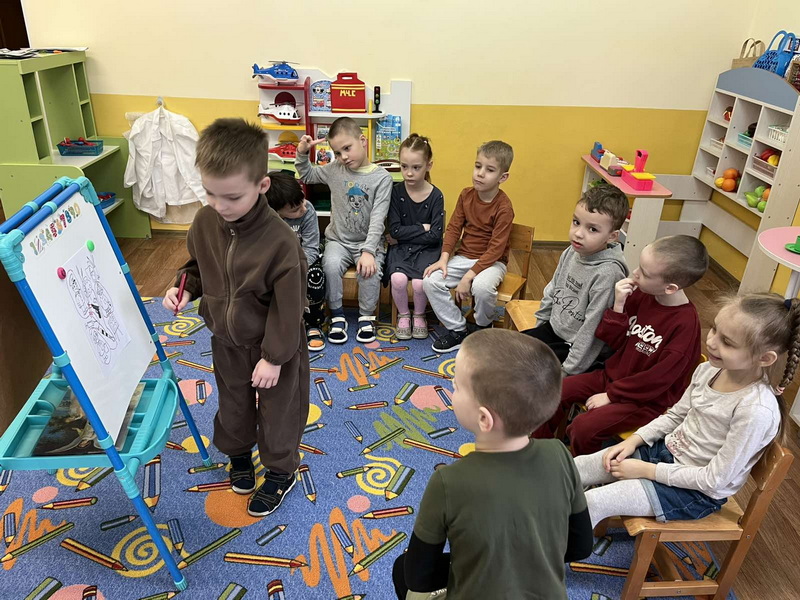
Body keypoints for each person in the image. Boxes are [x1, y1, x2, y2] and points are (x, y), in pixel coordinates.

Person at [163, 118, 309, 517]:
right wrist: (186, 287)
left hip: (274, 348)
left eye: (231, 197)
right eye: (210, 193)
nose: (219, 205)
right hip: (226, 341)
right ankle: (239, 454)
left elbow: (289, 307)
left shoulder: (281, 242)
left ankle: (280, 471)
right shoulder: (205, 221)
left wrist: (274, 357)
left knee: (280, 413)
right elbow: (198, 264)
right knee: (233, 405)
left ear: (261, 186)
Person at [393, 329, 593, 599]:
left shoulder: (447, 482)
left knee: (401, 569)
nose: (451, 387)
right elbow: (581, 547)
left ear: (484, 419)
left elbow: (418, 577)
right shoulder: (560, 454)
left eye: (457, 386)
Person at [576, 292, 793, 527]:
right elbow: (675, 415)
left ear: (765, 358)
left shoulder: (755, 410)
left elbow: (714, 480)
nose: (711, 342)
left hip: (694, 492)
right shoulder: (709, 370)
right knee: (575, 468)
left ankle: (562, 547)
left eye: (727, 342)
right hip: (664, 454)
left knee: (594, 502)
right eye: (714, 329)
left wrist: (647, 470)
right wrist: (635, 440)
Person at [534, 235, 708, 456]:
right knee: (552, 393)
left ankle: (582, 468)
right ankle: (539, 451)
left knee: (583, 428)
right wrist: (618, 306)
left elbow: (657, 381)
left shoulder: (684, 326)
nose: (635, 273)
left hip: (645, 400)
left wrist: (611, 396)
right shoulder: (642, 294)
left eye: (645, 273)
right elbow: (612, 341)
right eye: (639, 266)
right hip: (611, 378)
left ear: (670, 288)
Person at [296, 117, 392, 344]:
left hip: (368, 242)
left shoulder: (382, 178)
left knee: (369, 271)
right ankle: (337, 315)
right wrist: (302, 153)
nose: (343, 157)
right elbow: (306, 175)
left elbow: (378, 218)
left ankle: (366, 316)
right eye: (338, 153)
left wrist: (368, 251)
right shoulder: (335, 170)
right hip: (338, 240)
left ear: (363, 141)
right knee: (329, 266)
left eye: (347, 148)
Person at [523, 185, 628, 375]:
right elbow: (552, 290)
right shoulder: (572, 251)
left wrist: (568, 371)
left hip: (575, 347)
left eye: (592, 229)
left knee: (525, 374)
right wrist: (540, 329)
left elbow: (592, 331)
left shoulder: (608, 274)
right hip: (553, 330)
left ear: (612, 236)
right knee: (508, 351)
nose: (578, 233)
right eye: (576, 222)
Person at [423, 141, 515, 353]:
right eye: (478, 166)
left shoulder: (504, 207)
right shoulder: (466, 195)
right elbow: (453, 229)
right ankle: (459, 329)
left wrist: (468, 277)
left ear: (502, 177)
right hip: (464, 257)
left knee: (481, 287)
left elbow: (496, 249)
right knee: (430, 280)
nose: (480, 174)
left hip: (493, 262)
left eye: (489, 170)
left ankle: (482, 327)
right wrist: (443, 259)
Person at [385, 134, 444, 340]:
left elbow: (435, 235)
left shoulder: (436, 196)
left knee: (420, 283)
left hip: (427, 250)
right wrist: (422, 228)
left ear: (429, 166)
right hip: (401, 250)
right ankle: (403, 314)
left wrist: (404, 235)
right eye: (404, 167)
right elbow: (394, 231)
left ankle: (419, 315)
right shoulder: (396, 192)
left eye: (416, 167)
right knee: (398, 279)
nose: (409, 173)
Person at [265, 170, 326, 351]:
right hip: (276, 261)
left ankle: (313, 324)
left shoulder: (308, 210)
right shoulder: (265, 219)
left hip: (304, 258)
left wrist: (294, 268)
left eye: (303, 201)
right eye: (295, 210)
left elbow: (311, 248)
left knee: (315, 276)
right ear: (276, 212)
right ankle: (275, 323)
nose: (303, 209)